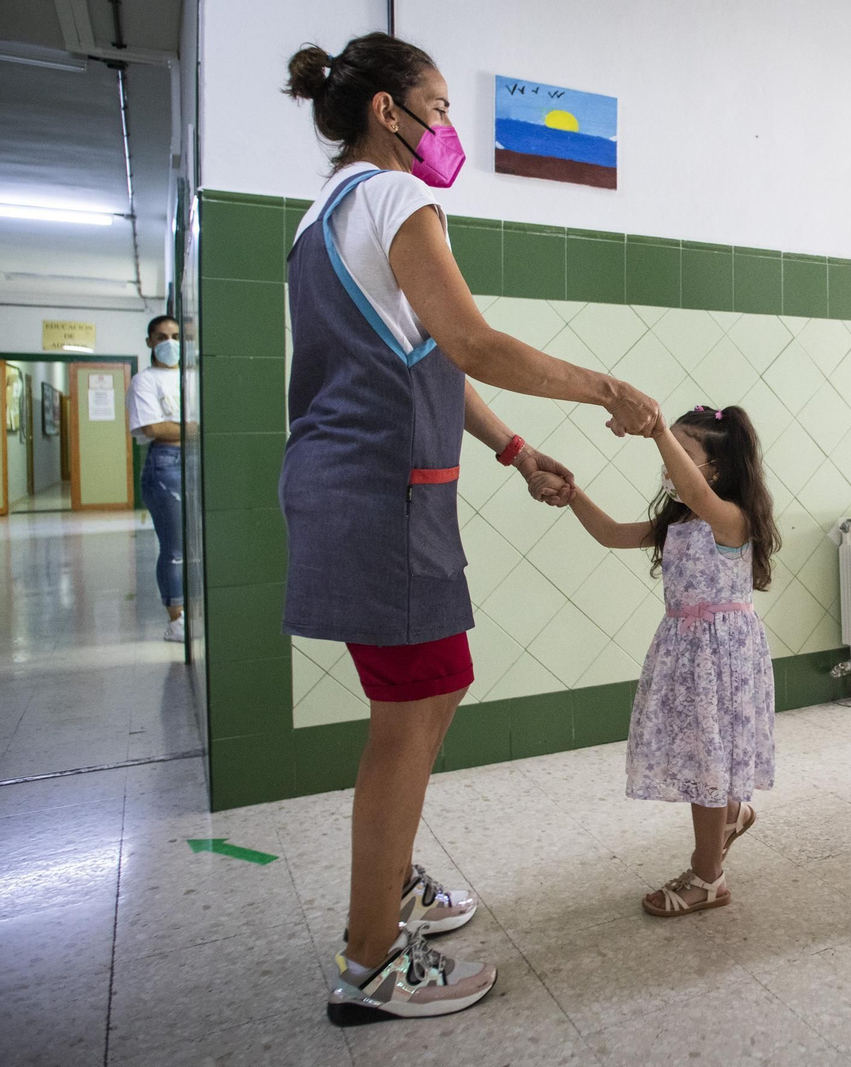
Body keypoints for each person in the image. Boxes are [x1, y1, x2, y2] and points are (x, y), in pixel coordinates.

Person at [283, 33, 658, 1024]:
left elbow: (409, 358)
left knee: (428, 690)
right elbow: (472, 341)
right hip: (379, 492)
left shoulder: (319, 215)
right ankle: (370, 965)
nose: (447, 126)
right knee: (412, 710)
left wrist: (514, 448)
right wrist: (606, 390)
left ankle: (391, 884)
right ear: (386, 112)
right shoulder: (400, 199)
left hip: (353, 484)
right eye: (438, 107)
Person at [564, 405, 779, 916]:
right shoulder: (677, 521)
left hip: (720, 657)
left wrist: (658, 428)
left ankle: (709, 879)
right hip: (685, 653)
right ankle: (730, 813)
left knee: (706, 760)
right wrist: (573, 494)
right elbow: (611, 533)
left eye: (684, 452)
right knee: (701, 754)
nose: (670, 460)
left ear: (717, 469)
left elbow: (701, 497)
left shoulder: (730, 518)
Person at [126, 315, 185, 642]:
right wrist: (195, 429)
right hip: (165, 466)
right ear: (149, 341)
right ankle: (175, 620)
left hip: (194, 462)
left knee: (196, 545)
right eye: (161, 336)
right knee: (174, 546)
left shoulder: (193, 377)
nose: (169, 343)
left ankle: (191, 607)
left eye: (175, 335)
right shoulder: (144, 381)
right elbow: (154, 429)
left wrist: (180, 430)